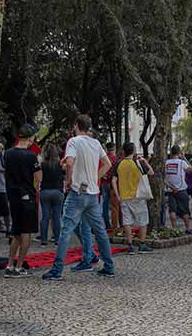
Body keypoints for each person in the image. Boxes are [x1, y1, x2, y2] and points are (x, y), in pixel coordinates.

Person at [42, 115, 115, 280]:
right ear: (88, 127)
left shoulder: (73, 142)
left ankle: (57, 270)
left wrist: (68, 180)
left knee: (66, 230)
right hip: (92, 193)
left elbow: (69, 163)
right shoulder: (95, 143)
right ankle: (109, 266)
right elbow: (108, 164)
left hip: (78, 192)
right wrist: (95, 177)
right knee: (100, 231)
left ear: (76, 126)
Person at [3, 124, 42, 278]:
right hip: (27, 196)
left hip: (12, 196)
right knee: (26, 234)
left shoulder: (8, 154)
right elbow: (39, 178)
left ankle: (9, 264)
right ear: (30, 138)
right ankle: (19, 267)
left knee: (16, 232)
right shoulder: (31, 156)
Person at [112, 141, 155, 254]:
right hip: (138, 196)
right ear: (134, 151)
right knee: (143, 221)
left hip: (124, 196)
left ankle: (130, 245)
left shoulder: (118, 163)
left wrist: (117, 195)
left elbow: (113, 180)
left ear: (124, 151)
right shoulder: (138, 163)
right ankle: (142, 244)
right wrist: (145, 161)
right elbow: (151, 172)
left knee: (127, 221)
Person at [164, 146, 192, 234]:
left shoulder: (166, 163)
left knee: (172, 210)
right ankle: (188, 229)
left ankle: (174, 229)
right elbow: (191, 169)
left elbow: (163, 178)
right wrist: (184, 157)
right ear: (179, 153)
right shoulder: (182, 162)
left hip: (170, 190)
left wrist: (171, 187)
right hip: (182, 189)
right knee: (184, 210)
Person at [39, 143, 64, 246]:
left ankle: (44, 240)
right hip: (57, 191)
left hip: (45, 191)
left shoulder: (42, 164)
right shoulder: (60, 164)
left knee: (45, 216)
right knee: (57, 216)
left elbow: (39, 178)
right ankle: (57, 239)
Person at [100, 142, 117, 230]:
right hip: (112, 183)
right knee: (114, 205)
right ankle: (115, 226)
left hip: (104, 182)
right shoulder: (115, 158)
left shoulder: (103, 158)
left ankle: (107, 224)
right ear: (114, 148)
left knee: (105, 204)